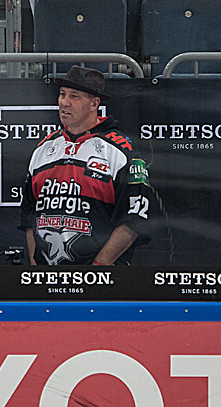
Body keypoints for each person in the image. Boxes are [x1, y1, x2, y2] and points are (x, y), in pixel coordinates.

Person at [20, 66, 155, 265]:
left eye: (74, 96)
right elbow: (29, 218)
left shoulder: (121, 150)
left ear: (94, 104)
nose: (64, 102)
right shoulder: (43, 148)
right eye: (62, 94)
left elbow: (135, 218)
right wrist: (36, 268)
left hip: (102, 282)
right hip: (47, 283)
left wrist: (98, 268)